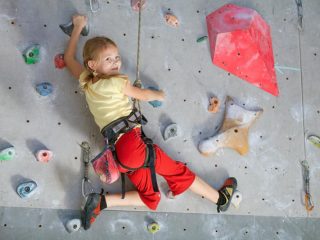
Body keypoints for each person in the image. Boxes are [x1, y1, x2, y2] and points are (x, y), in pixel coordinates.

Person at [64, 15, 238, 230]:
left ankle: (101, 202)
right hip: (131, 146)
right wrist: (159, 94)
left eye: (116, 57)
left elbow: (68, 57)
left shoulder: (86, 81)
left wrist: (77, 28)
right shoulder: (118, 82)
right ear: (93, 64)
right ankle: (220, 199)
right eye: (108, 59)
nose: (116, 62)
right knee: (177, 172)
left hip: (120, 153)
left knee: (151, 199)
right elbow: (143, 95)